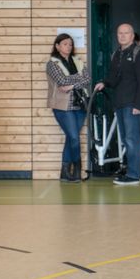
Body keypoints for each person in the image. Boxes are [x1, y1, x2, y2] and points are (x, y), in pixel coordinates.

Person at [94, 23, 140, 185]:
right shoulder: (116, 54)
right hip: (119, 103)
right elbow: (113, 76)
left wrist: (139, 105)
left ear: (132, 36)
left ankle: (133, 175)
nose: (123, 36)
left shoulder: (139, 53)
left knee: (132, 139)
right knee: (125, 140)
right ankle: (130, 171)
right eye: (120, 33)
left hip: (132, 104)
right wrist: (104, 83)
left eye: (126, 33)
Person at [46, 33, 90, 183]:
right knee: (74, 138)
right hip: (63, 106)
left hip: (80, 105)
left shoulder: (77, 61)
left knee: (71, 138)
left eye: (70, 44)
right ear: (57, 46)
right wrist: (78, 79)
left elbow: (88, 78)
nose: (69, 47)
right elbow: (61, 81)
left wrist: (72, 85)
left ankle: (64, 172)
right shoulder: (52, 63)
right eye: (65, 44)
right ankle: (77, 170)